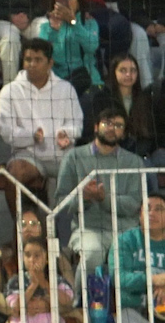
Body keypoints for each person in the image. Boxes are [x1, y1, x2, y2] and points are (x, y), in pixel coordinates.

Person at [54, 111, 147, 276]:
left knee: (130, 258)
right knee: (92, 254)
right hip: (88, 229)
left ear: (124, 133)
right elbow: (61, 202)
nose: (112, 129)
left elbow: (134, 204)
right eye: (107, 123)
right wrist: (84, 198)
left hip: (125, 229)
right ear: (96, 127)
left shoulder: (135, 162)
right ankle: (80, 293)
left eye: (118, 125)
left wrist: (104, 198)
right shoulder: (73, 157)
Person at [0, 37, 83, 181]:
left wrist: (65, 133)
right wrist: (32, 136)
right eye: (28, 59)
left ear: (50, 63)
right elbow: (7, 131)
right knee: (16, 172)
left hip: (62, 155)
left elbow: (77, 124)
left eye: (38, 60)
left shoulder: (66, 89)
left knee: (86, 172)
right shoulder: (9, 91)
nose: (32, 64)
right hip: (27, 155)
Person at [114, 193, 165, 323]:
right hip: (136, 311)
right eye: (147, 208)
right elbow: (119, 278)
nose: (152, 213)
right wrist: (153, 280)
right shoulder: (125, 241)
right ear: (140, 215)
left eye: (159, 209)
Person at [87, 53, 159, 161]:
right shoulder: (101, 98)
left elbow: (151, 132)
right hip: (110, 149)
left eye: (133, 70)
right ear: (114, 72)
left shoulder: (146, 98)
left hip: (141, 151)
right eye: (123, 70)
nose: (128, 75)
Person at [36, 0, 102, 96]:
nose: (65, 2)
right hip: (57, 83)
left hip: (87, 81)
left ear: (78, 2)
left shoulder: (89, 22)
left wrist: (73, 22)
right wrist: (54, 30)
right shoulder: (46, 27)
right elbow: (47, 57)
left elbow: (91, 47)